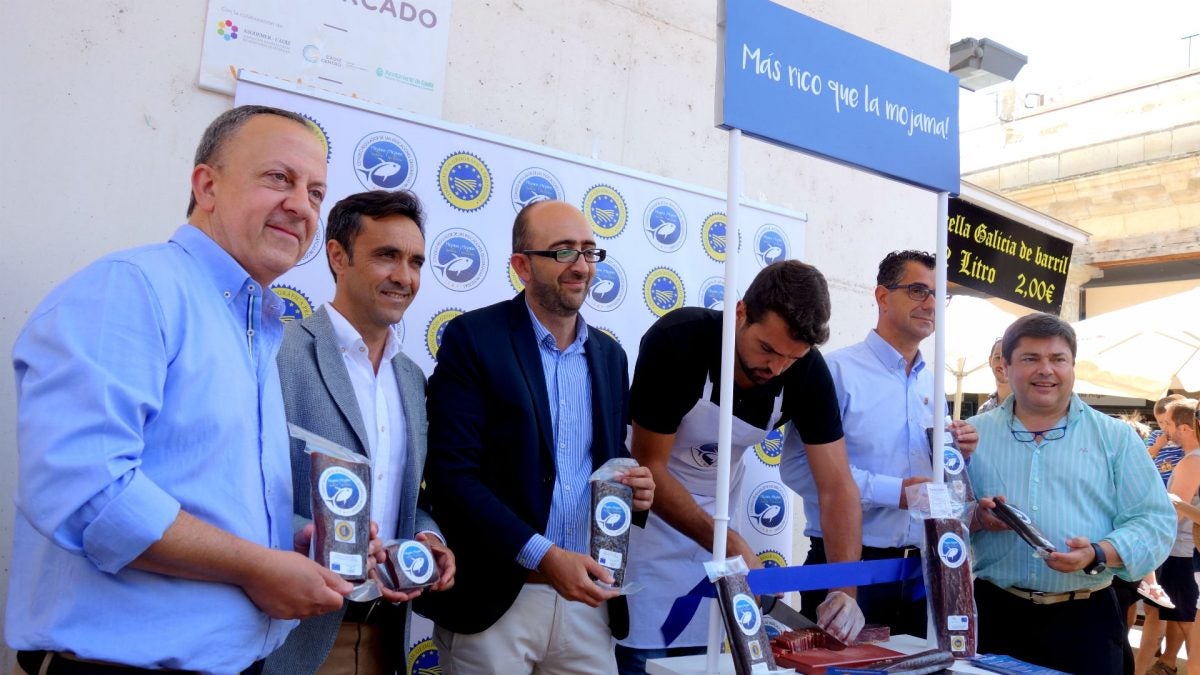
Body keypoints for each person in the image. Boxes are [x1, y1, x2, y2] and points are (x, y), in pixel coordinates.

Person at [6, 105, 352, 674]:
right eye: (278, 178)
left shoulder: (253, 326)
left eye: (316, 192)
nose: (301, 206)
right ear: (206, 185)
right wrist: (254, 568)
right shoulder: (133, 289)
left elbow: (196, 498)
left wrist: (285, 547)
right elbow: (91, 492)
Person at [417, 200, 656, 675]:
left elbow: (604, 459)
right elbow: (450, 476)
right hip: (496, 604)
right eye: (563, 252)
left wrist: (635, 489)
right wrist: (544, 555)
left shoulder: (610, 355)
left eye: (589, 252)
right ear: (522, 265)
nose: (581, 266)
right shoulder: (474, 338)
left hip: (590, 606)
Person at [616, 260, 864, 674]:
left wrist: (845, 591)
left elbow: (837, 487)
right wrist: (731, 544)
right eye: (767, 349)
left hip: (720, 521)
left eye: (791, 357)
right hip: (649, 530)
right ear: (740, 312)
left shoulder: (807, 373)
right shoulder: (679, 342)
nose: (776, 368)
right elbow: (651, 465)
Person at [264, 190, 456, 674]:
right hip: (297, 633)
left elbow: (406, 497)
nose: (404, 277)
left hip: (386, 637)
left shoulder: (412, 377)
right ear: (337, 256)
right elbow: (242, 492)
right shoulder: (279, 354)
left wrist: (428, 539)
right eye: (386, 256)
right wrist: (306, 539)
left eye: (415, 261)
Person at [781, 250, 979, 639]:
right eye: (919, 290)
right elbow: (798, 468)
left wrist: (958, 455)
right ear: (882, 297)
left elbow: (929, 477)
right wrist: (894, 493)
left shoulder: (930, 382)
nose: (931, 304)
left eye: (940, 295)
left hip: (922, 568)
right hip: (847, 567)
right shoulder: (835, 372)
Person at [968, 313, 1175, 675]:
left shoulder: (1115, 437)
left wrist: (1098, 552)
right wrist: (975, 517)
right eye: (1031, 358)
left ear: (1072, 366)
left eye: (1058, 359)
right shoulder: (970, 437)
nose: (1045, 370)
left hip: (1085, 621)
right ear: (1005, 366)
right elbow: (937, 519)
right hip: (994, 616)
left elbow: (1154, 522)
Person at [1138, 398, 1200, 675]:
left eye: (1170, 424)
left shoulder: (1192, 462)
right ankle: (1163, 663)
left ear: (1185, 428)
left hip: (1181, 551)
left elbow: (1175, 515)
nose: (1166, 430)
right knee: (1182, 617)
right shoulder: (1189, 459)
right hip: (1184, 550)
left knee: (1190, 623)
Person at [977, 337, 1011, 414]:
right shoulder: (984, 410)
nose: (1002, 364)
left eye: (1008, 358)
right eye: (998, 357)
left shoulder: (1029, 406)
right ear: (990, 361)